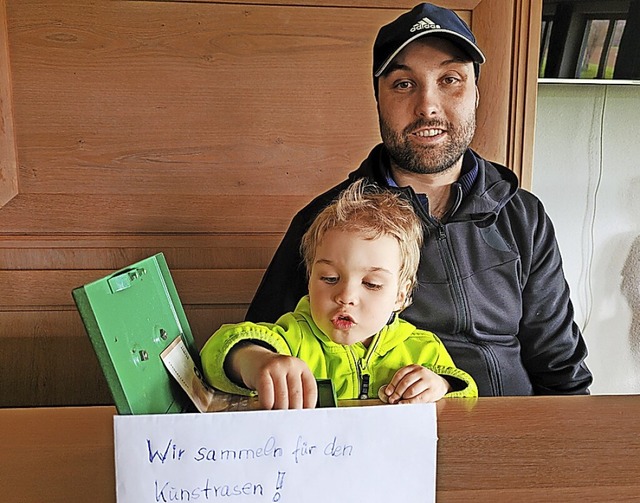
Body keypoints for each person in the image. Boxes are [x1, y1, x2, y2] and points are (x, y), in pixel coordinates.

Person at [244, 3, 593, 396]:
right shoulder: (329, 221)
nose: (427, 106)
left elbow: (561, 371)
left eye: (450, 80)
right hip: (388, 440)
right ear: (378, 98)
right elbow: (262, 352)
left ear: (475, 94)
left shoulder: (522, 216)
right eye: (404, 84)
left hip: (511, 435)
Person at [201, 180, 478, 409]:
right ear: (310, 281)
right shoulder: (294, 337)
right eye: (330, 278)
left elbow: (467, 396)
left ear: (401, 296)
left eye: (371, 284)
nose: (346, 295)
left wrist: (442, 385)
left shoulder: (421, 348)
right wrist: (256, 361)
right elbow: (215, 353)